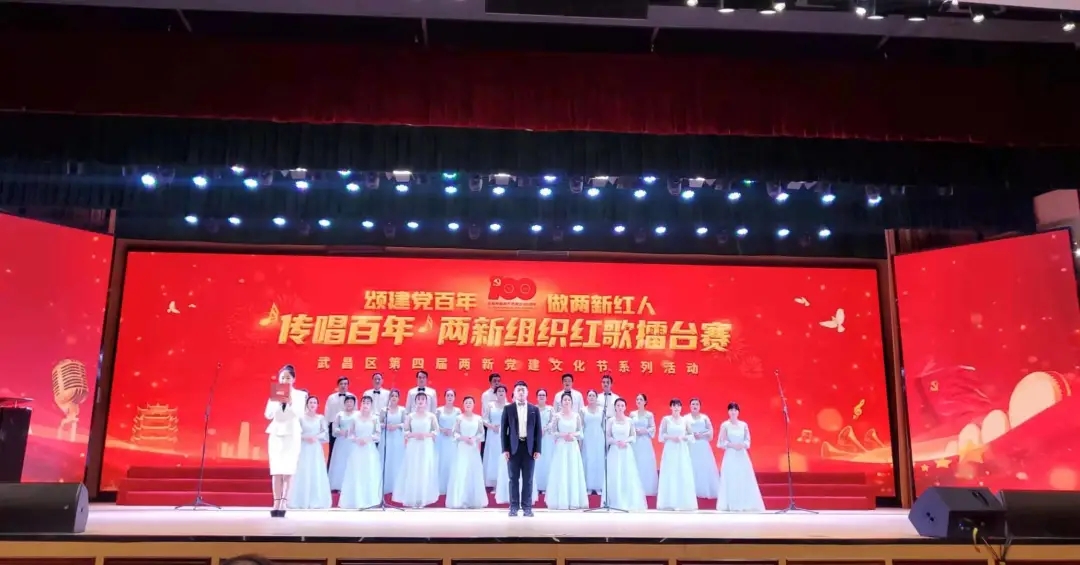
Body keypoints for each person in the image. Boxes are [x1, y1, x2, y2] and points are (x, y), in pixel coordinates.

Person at [263, 364, 307, 517]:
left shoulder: (300, 395)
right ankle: (275, 502)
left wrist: (290, 402)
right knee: (276, 469)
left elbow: (300, 414)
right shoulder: (275, 393)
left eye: (288, 377)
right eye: (282, 377)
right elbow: (268, 415)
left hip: (292, 433)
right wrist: (277, 401)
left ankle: (284, 502)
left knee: (288, 469)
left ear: (293, 379)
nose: (285, 380)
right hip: (276, 433)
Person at [500, 381, 542, 517]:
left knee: (528, 479)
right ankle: (513, 507)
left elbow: (538, 431)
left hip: (529, 448)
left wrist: (538, 449)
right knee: (513, 479)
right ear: (514, 392)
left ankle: (527, 507)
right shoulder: (508, 409)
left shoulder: (534, 409)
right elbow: (504, 431)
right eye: (519, 390)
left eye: (523, 390)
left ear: (527, 392)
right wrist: (505, 449)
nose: (521, 392)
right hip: (513, 448)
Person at [392, 392, 440, 507]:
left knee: (424, 470)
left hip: (426, 445)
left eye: (423, 399)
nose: (420, 401)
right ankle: (412, 497)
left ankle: (423, 498)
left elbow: (436, 431)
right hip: (413, 445)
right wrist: (414, 435)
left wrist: (426, 435)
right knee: (413, 470)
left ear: (426, 402)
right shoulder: (410, 416)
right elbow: (405, 431)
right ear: (415, 401)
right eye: (418, 399)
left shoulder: (431, 416)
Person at [716, 402, 766, 512]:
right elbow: (720, 442)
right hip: (730, 455)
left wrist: (742, 445)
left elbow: (748, 440)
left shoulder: (744, 425)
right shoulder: (725, 425)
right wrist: (732, 445)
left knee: (743, 478)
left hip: (742, 455)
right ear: (728, 412)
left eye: (735, 410)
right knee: (731, 478)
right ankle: (731, 504)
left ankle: (745, 503)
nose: (733, 412)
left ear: (738, 412)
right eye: (731, 410)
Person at [544, 391, 589, 510]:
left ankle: (574, 501)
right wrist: (563, 435)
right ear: (561, 402)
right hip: (561, 447)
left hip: (573, 446)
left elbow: (580, 432)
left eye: (569, 400)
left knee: (573, 471)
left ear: (572, 402)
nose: (567, 402)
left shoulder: (576, 416)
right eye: (565, 400)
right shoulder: (557, 416)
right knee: (562, 471)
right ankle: (561, 501)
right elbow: (553, 432)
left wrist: (572, 435)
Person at [601, 398, 647, 511]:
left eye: (622, 405)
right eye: (618, 405)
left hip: (626, 450)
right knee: (614, 475)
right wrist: (616, 442)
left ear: (625, 407)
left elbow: (633, 436)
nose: (620, 407)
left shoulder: (629, 421)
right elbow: (607, 436)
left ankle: (627, 501)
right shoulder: (611, 421)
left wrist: (625, 441)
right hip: (614, 451)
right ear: (615, 407)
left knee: (627, 475)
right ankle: (614, 501)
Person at [338, 395, 383, 509]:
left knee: (369, 473)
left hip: (369, 449)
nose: (365, 404)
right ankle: (357, 499)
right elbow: (350, 434)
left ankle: (371, 500)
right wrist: (356, 439)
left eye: (368, 403)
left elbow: (378, 434)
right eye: (364, 402)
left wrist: (368, 439)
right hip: (357, 449)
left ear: (371, 405)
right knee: (356, 473)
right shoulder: (355, 418)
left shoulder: (375, 418)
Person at [288, 394, 332, 509]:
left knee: (316, 470)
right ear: (307, 404)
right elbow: (296, 432)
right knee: (303, 470)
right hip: (304, 447)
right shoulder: (301, 418)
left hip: (315, 448)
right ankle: (301, 500)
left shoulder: (321, 418)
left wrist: (315, 437)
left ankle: (316, 500)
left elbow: (324, 432)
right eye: (310, 402)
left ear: (317, 405)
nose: (312, 404)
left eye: (314, 403)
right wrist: (305, 437)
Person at [445, 396, 488, 509]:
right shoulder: (459, 418)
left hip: (473, 448)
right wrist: (463, 438)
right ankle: (460, 500)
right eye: (466, 402)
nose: (468, 404)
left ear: (473, 405)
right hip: (462, 448)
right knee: (461, 472)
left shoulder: (478, 418)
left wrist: (474, 438)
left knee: (473, 472)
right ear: (463, 405)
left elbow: (481, 433)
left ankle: (473, 500)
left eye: (470, 402)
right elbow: (454, 433)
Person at [656, 398, 697, 511]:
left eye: (678, 406)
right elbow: (661, 436)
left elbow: (691, 436)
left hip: (682, 449)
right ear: (670, 407)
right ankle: (669, 502)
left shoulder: (685, 420)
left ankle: (682, 502)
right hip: (670, 449)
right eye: (674, 405)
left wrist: (683, 437)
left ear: (681, 407)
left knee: (682, 472)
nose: (676, 408)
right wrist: (671, 438)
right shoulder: (666, 419)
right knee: (670, 473)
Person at [687, 398, 720, 499]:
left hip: (702, 446)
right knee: (691, 466)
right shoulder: (685, 418)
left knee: (703, 466)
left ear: (700, 406)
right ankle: (690, 491)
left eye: (697, 404)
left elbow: (710, 431)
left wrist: (701, 435)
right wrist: (691, 435)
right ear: (690, 406)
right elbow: (682, 431)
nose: (695, 406)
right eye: (693, 404)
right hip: (691, 445)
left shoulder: (704, 418)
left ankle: (704, 489)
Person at [327, 394, 358, 491]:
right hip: (341, 441)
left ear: (354, 403)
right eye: (347, 402)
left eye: (351, 402)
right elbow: (334, 427)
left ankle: (352, 485)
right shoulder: (340, 414)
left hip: (353, 442)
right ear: (344, 403)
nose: (349, 403)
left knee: (352, 462)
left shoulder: (358, 415)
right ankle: (338, 485)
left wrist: (353, 432)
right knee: (340, 462)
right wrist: (340, 431)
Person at [630, 393, 659, 496]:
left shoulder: (649, 415)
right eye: (637, 399)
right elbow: (629, 426)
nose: (638, 401)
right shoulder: (632, 414)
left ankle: (646, 488)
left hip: (645, 442)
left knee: (645, 463)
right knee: (635, 462)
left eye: (641, 399)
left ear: (645, 402)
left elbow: (653, 428)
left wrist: (645, 431)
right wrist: (634, 431)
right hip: (635, 441)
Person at [436, 389, 462, 495]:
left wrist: (452, 431)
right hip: (441, 439)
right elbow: (434, 425)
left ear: (454, 397)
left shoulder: (458, 411)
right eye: (448, 395)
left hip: (452, 439)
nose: (450, 397)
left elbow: (460, 425)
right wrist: (442, 430)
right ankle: (440, 486)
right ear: (445, 397)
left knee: (452, 462)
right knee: (441, 461)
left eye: (451, 395)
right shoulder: (439, 410)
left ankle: (452, 487)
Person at [482, 384, 507, 488]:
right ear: (495, 393)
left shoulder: (509, 406)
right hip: (493, 434)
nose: (501, 392)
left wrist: (503, 427)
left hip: (505, 434)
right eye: (499, 391)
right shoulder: (490, 405)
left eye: (503, 391)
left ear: (505, 393)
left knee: (504, 456)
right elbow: (484, 419)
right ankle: (493, 483)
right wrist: (492, 426)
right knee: (493, 457)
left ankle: (504, 483)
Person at [580, 390, 606, 494]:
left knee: (599, 460)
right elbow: (581, 426)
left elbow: (604, 426)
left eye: (593, 395)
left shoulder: (602, 410)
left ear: (596, 398)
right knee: (588, 460)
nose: (591, 397)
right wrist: (580, 441)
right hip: (587, 437)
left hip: (599, 437)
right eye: (589, 395)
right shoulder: (583, 410)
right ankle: (588, 486)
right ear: (587, 398)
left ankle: (599, 486)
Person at [381, 389, 406, 494]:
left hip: (397, 437)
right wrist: (386, 426)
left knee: (397, 459)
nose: (394, 398)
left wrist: (397, 426)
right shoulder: (384, 410)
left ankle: (397, 486)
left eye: (396, 396)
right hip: (386, 436)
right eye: (392, 396)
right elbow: (379, 423)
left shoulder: (402, 410)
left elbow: (405, 423)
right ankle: (385, 485)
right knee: (386, 458)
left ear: (398, 398)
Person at [324, 377, 351, 465]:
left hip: (347, 426)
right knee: (332, 449)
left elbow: (355, 412)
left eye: (345, 384)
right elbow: (327, 412)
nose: (343, 386)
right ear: (338, 385)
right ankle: (330, 469)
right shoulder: (331, 398)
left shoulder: (352, 397)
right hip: (333, 426)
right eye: (341, 384)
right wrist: (326, 427)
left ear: (348, 385)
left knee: (347, 449)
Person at [534, 388, 554, 492]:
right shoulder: (533, 409)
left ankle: (547, 486)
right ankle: (536, 486)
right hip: (535, 438)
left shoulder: (550, 409)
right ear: (536, 397)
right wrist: (537, 431)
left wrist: (544, 429)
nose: (541, 397)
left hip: (547, 438)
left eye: (543, 395)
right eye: (540, 395)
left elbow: (553, 422)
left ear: (546, 397)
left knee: (547, 460)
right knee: (537, 461)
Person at [479, 373, 502, 457]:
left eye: (498, 381)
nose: (497, 383)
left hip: (499, 425)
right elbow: (486, 411)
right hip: (488, 424)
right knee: (486, 447)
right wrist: (491, 425)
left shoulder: (501, 393)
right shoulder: (486, 394)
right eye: (494, 381)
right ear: (490, 382)